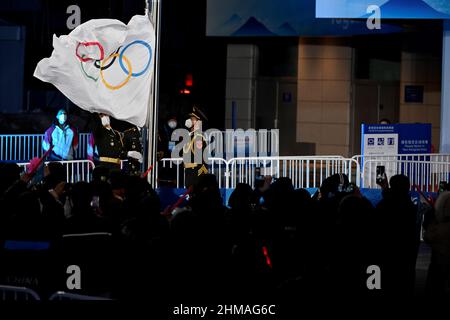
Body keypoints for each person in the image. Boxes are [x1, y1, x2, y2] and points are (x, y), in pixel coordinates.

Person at [182, 106, 209, 188]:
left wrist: (197, 180)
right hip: (189, 175)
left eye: (193, 119)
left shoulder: (198, 138)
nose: (190, 120)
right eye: (190, 118)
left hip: (195, 177)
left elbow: (202, 161)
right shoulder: (190, 136)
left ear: (198, 122)